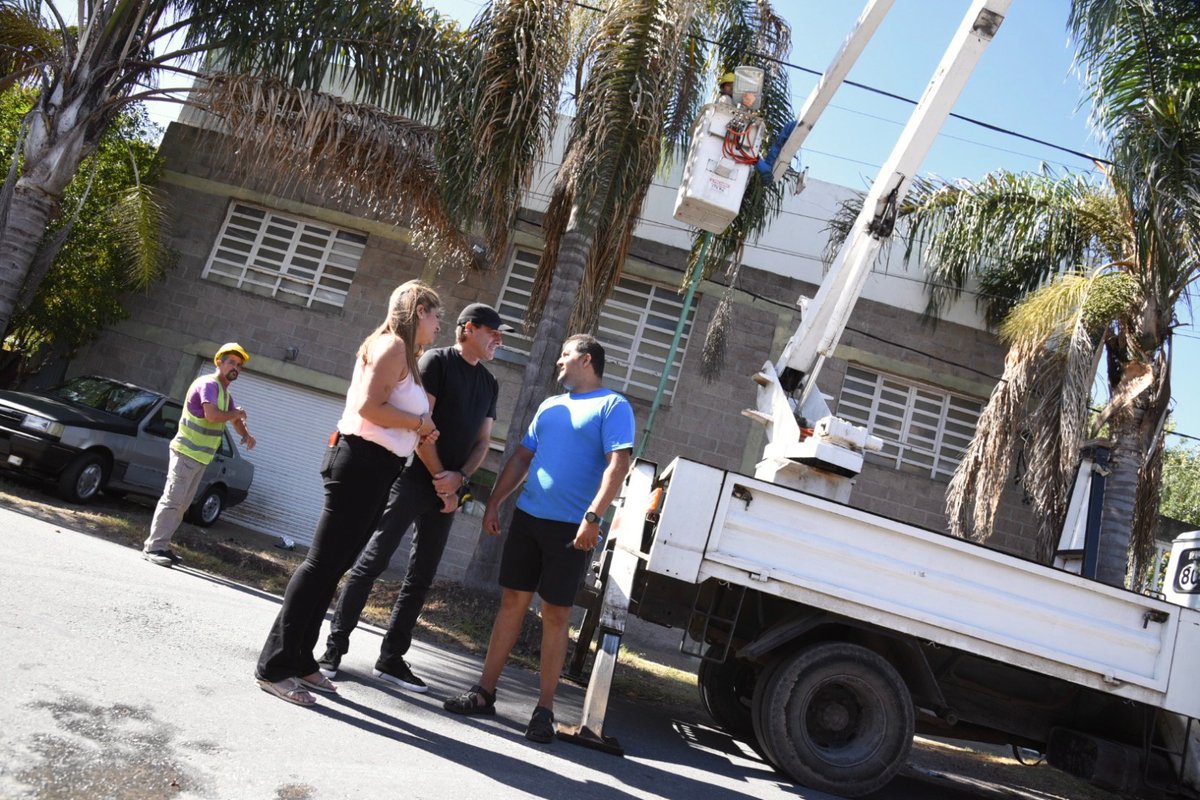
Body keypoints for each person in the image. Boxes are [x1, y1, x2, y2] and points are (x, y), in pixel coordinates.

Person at [255, 280, 441, 706]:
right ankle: (274, 667)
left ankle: (302, 659)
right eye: (436, 315)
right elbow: (369, 408)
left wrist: (419, 428)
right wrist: (418, 423)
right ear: (419, 311)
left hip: (380, 467)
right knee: (320, 565)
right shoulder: (393, 345)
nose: (438, 325)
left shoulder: (405, 353)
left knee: (334, 567)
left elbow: (392, 411)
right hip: (360, 462)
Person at [444, 334, 634, 744]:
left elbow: (618, 466)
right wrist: (494, 502)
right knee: (512, 601)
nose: (559, 362)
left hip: (572, 529)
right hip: (528, 519)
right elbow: (521, 458)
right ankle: (484, 692)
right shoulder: (550, 406)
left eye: (565, 355)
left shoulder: (613, 405)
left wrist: (593, 517)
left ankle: (544, 711)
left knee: (556, 614)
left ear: (586, 360)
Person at [317, 303, 513, 691]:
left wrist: (459, 480)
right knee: (372, 562)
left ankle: (391, 659)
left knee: (421, 577)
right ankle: (333, 649)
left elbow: (483, 442)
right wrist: (442, 477)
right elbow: (423, 426)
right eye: (493, 332)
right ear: (469, 329)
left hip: (448, 490)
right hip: (412, 478)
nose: (499, 341)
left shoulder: (490, 384)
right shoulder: (437, 362)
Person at [143, 343, 256, 566]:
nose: (235, 367)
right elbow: (212, 415)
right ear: (219, 362)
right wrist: (236, 413)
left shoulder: (225, 393)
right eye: (231, 362)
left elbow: (233, 419)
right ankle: (153, 547)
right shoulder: (209, 385)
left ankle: (162, 546)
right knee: (173, 501)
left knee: (182, 505)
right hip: (186, 452)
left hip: (199, 457)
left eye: (239, 365)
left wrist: (246, 435)